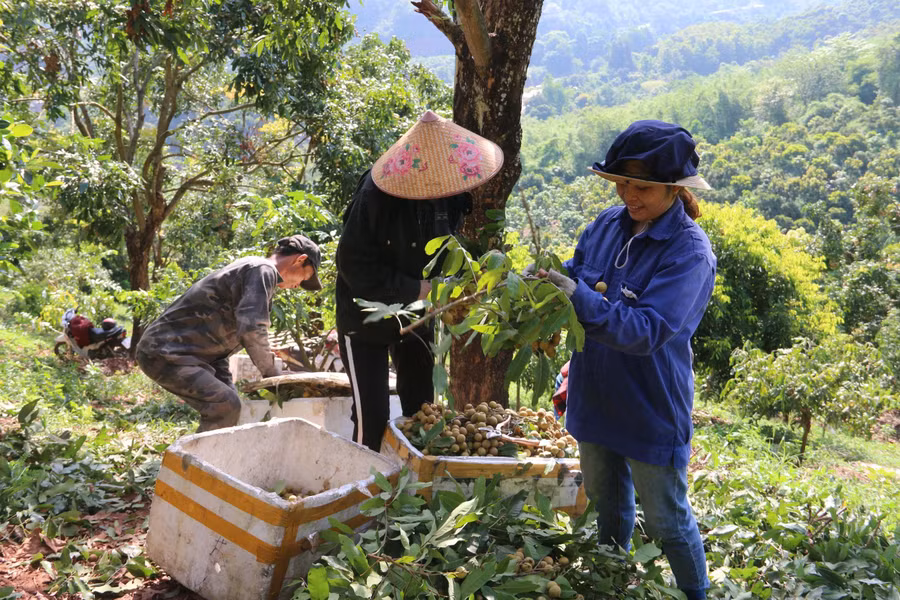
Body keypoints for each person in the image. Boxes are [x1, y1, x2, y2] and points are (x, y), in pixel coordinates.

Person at [539, 120, 715, 599]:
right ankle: (611, 581)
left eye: (641, 187)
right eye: (621, 184)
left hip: (649, 406)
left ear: (674, 188)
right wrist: (540, 291)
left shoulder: (689, 253)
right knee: (607, 502)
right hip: (595, 396)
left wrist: (577, 296)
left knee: (667, 521)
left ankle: (695, 594)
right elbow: (574, 277)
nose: (628, 195)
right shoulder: (603, 228)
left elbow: (647, 331)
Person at [336, 110, 504, 451]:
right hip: (364, 317)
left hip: (415, 316)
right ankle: (359, 493)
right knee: (372, 418)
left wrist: (465, 282)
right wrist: (420, 289)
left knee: (421, 411)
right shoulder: (376, 195)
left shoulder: (450, 191)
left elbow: (447, 248)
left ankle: (411, 491)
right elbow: (353, 266)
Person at [136, 235, 323, 433]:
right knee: (224, 406)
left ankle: (209, 460)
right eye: (305, 277)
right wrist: (273, 374)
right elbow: (252, 329)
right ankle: (198, 462)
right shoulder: (262, 270)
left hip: (186, 354)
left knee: (233, 407)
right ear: (300, 260)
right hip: (165, 350)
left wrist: (226, 381)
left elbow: (221, 342)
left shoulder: (256, 271)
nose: (298, 285)